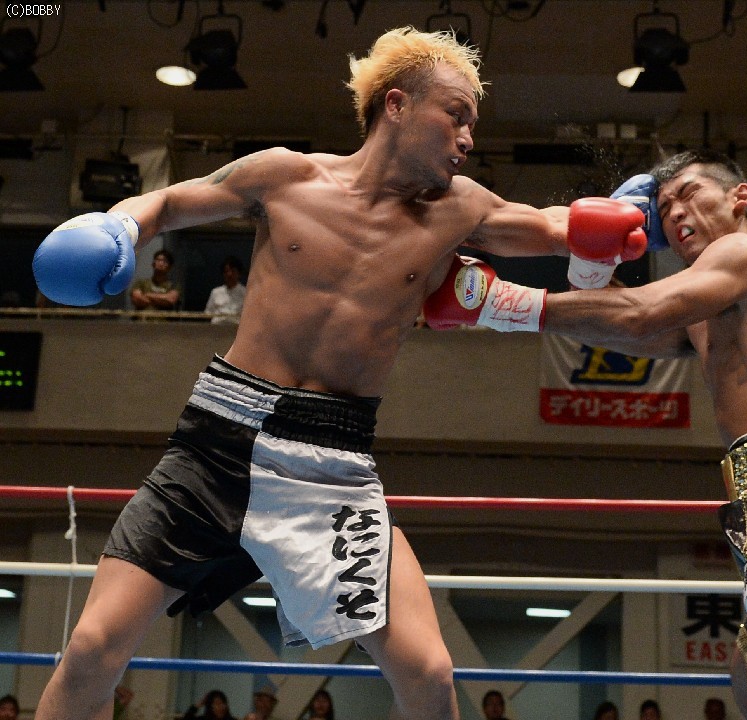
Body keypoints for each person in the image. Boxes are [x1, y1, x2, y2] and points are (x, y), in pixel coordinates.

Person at [31, 25, 649, 720]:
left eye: (472, 123)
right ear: (396, 105)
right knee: (92, 648)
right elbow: (173, 201)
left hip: (331, 463)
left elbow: (552, 226)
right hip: (215, 444)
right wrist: (118, 227)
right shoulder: (285, 176)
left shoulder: (460, 207)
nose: (468, 138)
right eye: (456, 115)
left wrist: (623, 218)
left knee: (427, 673)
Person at [423, 150, 747, 720]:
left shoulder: (745, 255)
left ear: (741, 197)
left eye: (690, 194)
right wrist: (591, 262)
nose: (674, 213)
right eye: (665, 206)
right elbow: (628, 330)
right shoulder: (714, 303)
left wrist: (500, 302)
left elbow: (640, 313)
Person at [130, 248, 180, 313]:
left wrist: (148, 295)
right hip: (143, 319)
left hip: (164, 319)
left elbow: (171, 299)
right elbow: (137, 298)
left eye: (165, 261)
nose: (161, 263)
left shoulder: (173, 286)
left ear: (169, 266)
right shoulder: (141, 283)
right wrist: (162, 300)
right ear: (153, 263)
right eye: (158, 260)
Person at [205, 255, 248, 325]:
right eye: (227, 271)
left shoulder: (246, 293)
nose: (229, 274)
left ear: (239, 274)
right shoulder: (215, 292)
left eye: (233, 271)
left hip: (236, 328)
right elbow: (207, 314)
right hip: (216, 328)